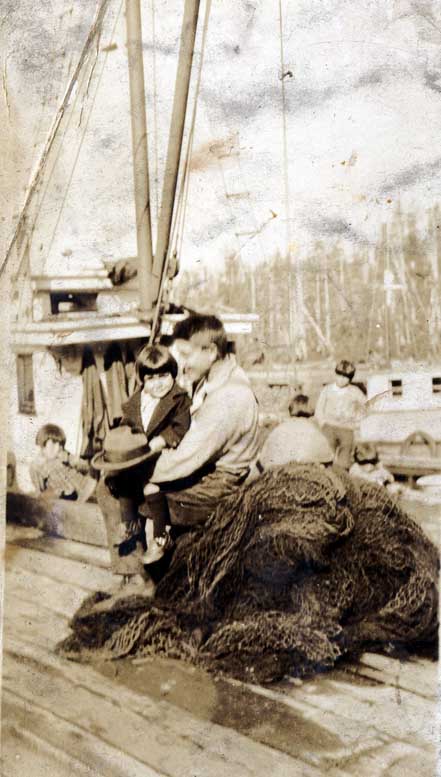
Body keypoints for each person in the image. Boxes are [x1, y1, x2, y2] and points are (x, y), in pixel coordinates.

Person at [94, 344, 191, 586]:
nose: (158, 384)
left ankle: (157, 540)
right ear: (142, 380)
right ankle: (129, 535)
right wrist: (122, 446)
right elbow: (125, 429)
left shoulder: (178, 400)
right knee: (116, 485)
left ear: (173, 374)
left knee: (148, 489)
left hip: (161, 459)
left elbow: (180, 426)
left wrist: (162, 439)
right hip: (136, 460)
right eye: (151, 378)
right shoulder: (135, 402)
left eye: (163, 376)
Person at [249, 394, 334, 479]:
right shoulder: (315, 430)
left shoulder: (278, 430)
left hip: (278, 475)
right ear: (311, 410)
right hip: (309, 476)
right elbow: (328, 460)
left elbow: (262, 462)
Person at [314, 360, 366, 469]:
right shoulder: (327, 390)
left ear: (350, 379)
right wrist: (323, 423)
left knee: (344, 461)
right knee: (326, 457)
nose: (342, 379)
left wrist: (358, 422)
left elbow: (366, 406)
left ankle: (342, 475)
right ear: (335, 374)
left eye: (346, 377)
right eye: (339, 375)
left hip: (347, 429)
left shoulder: (355, 391)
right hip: (329, 428)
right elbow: (319, 409)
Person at [30, 423, 97, 502]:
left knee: (92, 480)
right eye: (54, 443)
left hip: (83, 487)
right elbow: (39, 489)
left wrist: (73, 461)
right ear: (43, 444)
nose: (58, 448)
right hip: (63, 494)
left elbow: (85, 466)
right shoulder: (36, 466)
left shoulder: (64, 455)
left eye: (60, 445)